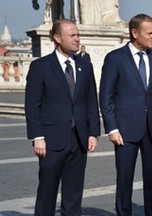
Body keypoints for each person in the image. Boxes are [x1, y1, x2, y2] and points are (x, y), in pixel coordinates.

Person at [24, 19, 100, 215]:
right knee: (47, 192)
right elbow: (32, 105)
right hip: (51, 140)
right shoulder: (40, 67)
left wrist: (93, 132)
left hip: (79, 139)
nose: (77, 39)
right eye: (72, 35)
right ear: (57, 38)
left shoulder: (85, 65)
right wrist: (37, 137)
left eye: (78, 35)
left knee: (74, 194)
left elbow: (91, 101)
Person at [99, 13, 152, 216]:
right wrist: (111, 128)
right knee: (124, 181)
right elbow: (106, 96)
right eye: (150, 33)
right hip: (124, 131)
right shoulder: (115, 58)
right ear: (134, 33)